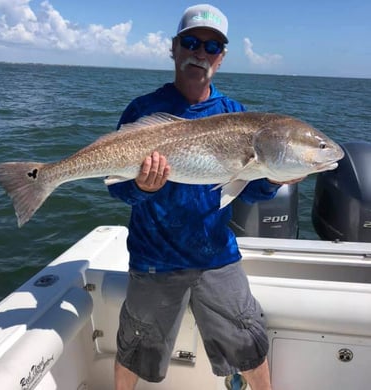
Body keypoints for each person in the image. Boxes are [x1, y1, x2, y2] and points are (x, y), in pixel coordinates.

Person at [108, 4, 294, 390]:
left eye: (212, 47)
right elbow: (116, 187)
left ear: (221, 58)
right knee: (134, 349)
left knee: (250, 345)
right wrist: (141, 187)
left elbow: (252, 190)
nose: (201, 53)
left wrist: (276, 177)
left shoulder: (236, 115)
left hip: (216, 255)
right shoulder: (143, 110)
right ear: (174, 48)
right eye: (191, 42)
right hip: (153, 257)